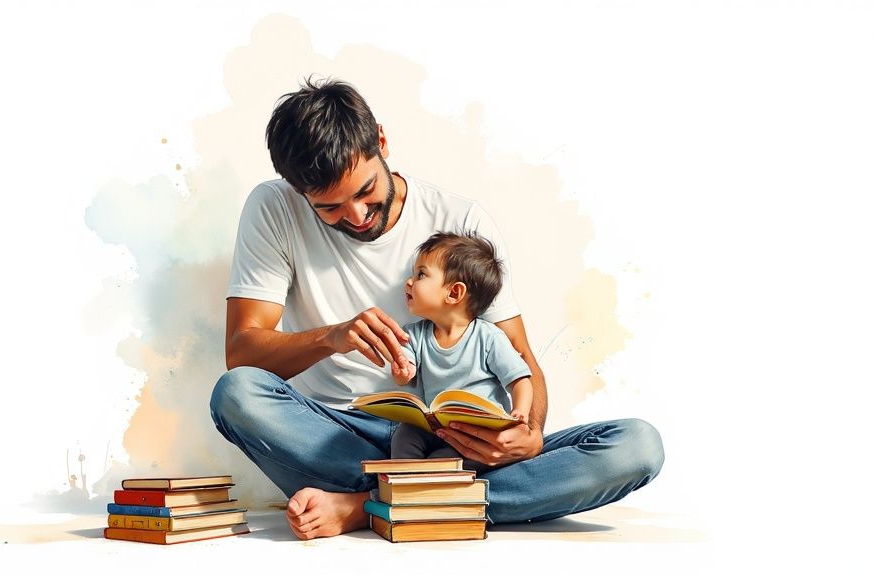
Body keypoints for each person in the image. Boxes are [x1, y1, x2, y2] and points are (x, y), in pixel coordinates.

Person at [210, 77, 664, 540]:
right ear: (297, 190)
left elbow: (519, 356)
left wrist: (528, 432)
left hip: (456, 441)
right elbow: (242, 351)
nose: (357, 216)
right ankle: (424, 499)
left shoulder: (459, 221)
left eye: (366, 191)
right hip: (336, 436)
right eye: (330, 208)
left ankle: (366, 507)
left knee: (636, 446)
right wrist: (332, 337)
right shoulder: (273, 208)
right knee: (237, 394)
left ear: (381, 142)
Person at [390, 231, 533, 474]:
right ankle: (404, 484)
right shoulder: (414, 334)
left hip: (478, 432)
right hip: (436, 425)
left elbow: (520, 380)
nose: (409, 282)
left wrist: (521, 413)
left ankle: (430, 481)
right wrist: (404, 372)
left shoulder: (488, 337)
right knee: (404, 436)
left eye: (421, 274)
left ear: (454, 293)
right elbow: (407, 369)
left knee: (444, 459)